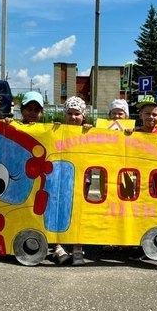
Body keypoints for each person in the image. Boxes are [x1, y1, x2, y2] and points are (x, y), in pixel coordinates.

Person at [53, 96, 91, 266]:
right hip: (59, 178)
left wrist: (90, 131)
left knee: (79, 212)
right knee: (59, 212)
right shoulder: (56, 130)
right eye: (70, 113)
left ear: (83, 116)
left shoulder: (89, 132)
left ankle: (77, 245)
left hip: (83, 179)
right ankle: (58, 245)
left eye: (77, 114)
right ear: (64, 114)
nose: (73, 117)